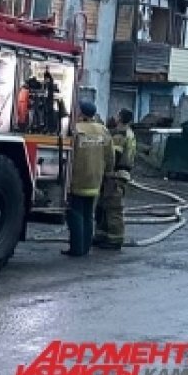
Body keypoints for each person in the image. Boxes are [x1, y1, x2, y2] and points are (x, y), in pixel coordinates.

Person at [65, 100, 112, 257]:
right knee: (88, 214)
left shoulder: (76, 129)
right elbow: (110, 156)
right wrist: (108, 174)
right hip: (95, 179)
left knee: (76, 213)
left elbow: (68, 155)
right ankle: (85, 248)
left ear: (81, 113)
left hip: (78, 178)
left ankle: (76, 249)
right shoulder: (103, 131)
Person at [96, 108, 136, 251]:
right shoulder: (129, 132)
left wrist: (105, 169)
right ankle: (102, 236)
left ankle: (115, 239)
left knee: (113, 209)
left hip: (115, 175)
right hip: (120, 174)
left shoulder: (120, 134)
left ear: (120, 118)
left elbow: (115, 155)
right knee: (104, 206)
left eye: (117, 114)